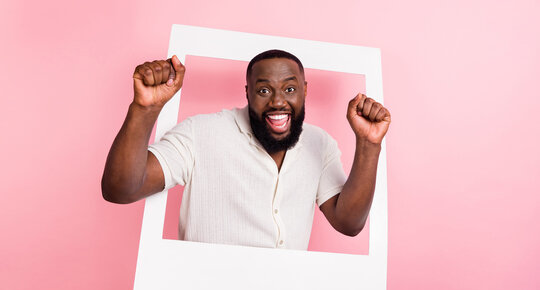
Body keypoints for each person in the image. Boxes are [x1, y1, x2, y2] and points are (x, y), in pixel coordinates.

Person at [101, 50, 391, 250]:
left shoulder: (320, 143)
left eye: (289, 89)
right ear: (247, 92)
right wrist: (144, 108)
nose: (278, 101)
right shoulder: (200, 133)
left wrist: (369, 143)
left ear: (304, 90)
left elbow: (349, 223)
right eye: (264, 90)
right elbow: (121, 189)